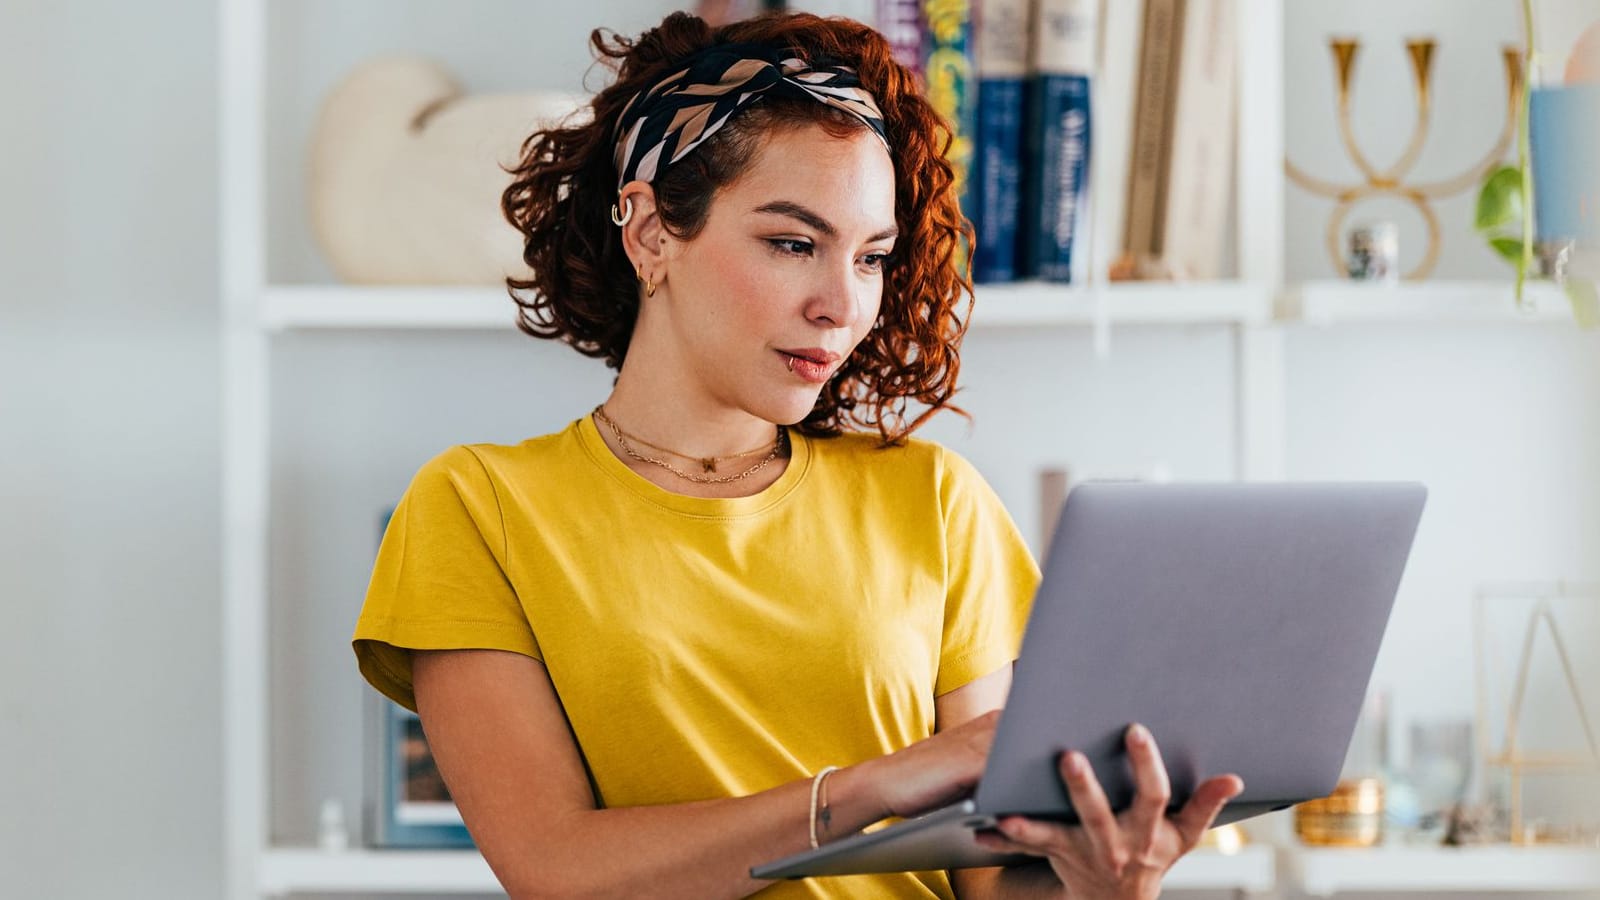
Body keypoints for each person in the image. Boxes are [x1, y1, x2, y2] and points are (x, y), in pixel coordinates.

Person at [352, 11, 1242, 899]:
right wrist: (870, 787)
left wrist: (1107, 883)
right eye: (793, 243)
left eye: (871, 258)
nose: (840, 306)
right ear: (652, 232)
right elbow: (557, 870)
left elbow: (995, 876)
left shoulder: (933, 501)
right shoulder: (479, 508)